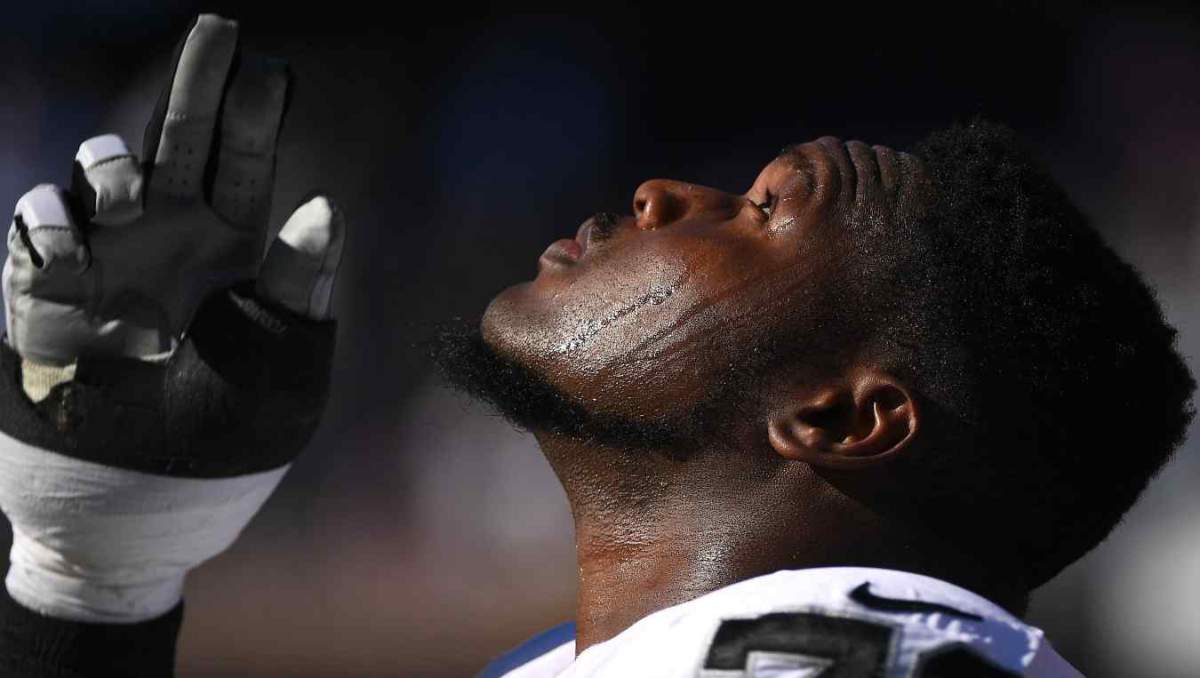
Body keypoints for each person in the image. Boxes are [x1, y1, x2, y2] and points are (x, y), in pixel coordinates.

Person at [0, 11, 1192, 678]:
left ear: (837, 416)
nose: (664, 193)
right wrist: (89, 587)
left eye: (763, 213)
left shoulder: (851, 657)